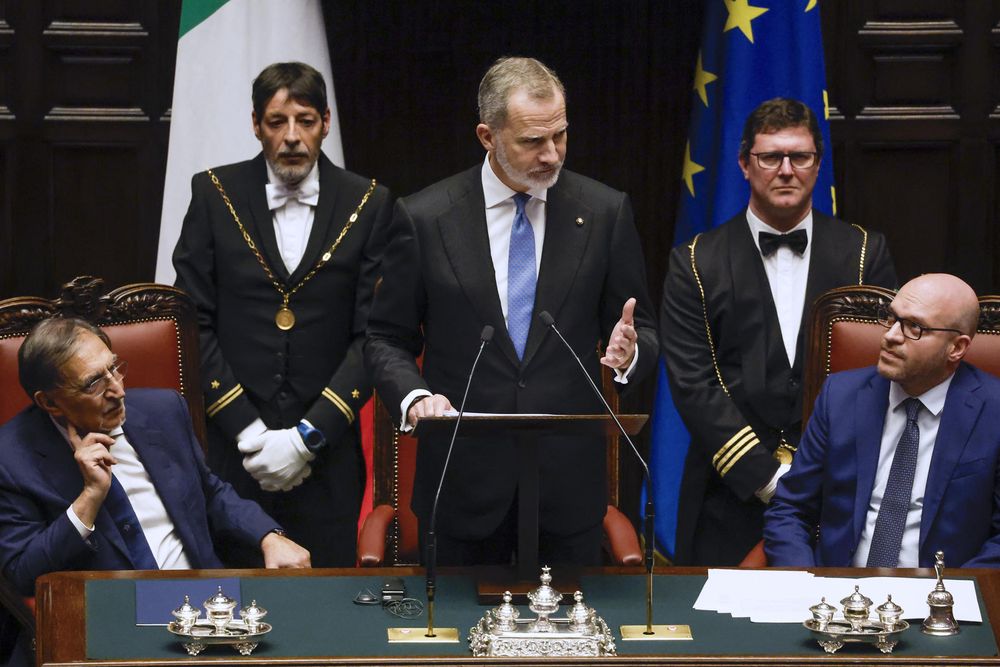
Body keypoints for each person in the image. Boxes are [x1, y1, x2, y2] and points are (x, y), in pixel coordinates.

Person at [365, 56, 658, 566]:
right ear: (487, 136)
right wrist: (413, 397)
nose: (552, 155)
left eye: (560, 136)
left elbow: (644, 328)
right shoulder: (426, 217)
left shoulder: (605, 212)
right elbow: (386, 337)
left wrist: (630, 353)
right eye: (532, 142)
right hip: (461, 490)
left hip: (567, 494)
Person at [661, 97, 898, 566]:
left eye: (800, 156)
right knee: (726, 638)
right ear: (744, 164)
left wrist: (820, 477)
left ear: (818, 163)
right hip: (728, 496)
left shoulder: (865, 253)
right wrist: (769, 480)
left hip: (841, 494)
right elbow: (694, 385)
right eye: (771, 157)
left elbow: (886, 368)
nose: (786, 170)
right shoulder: (694, 260)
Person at [173, 62, 392, 566]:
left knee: (325, 614)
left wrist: (306, 438)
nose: (292, 137)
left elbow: (374, 335)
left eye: (306, 120)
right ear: (256, 124)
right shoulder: (213, 194)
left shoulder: (370, 202)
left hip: (328, 457)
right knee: (230, 606)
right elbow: (192, 323)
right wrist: (249, 433)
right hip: (234, 453)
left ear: (326, 122)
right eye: (277, 122)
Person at [0, 318, 310, 597]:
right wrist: (89, 499)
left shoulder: (162, 410)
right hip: (105, 618)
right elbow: (22, 575)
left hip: (203, 600)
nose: (118, 390)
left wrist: (268, 536)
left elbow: (209, 493)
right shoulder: (12, 459)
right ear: (50, 402)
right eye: (94, 383)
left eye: (114, 368)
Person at [765, 274, 1000, 568]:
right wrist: (804, 583)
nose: (890, 336)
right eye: (891, 318)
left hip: (941, 600)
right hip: (840, 595)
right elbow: (791, 508)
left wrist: (952, 598)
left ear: (956, 347)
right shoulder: (840, 396)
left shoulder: (993, 411)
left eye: (914, 327)